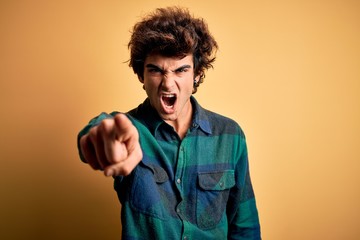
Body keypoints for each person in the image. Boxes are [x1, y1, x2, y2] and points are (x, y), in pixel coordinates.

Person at [77, 6, 261, 240]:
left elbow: (245, 228)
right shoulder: (129, 131)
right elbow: (99, 131)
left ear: (197, 74)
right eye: (156, 70)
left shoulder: (230, 135)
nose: (167, 83)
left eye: (181, 70)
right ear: (141, 76)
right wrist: (100, 136)